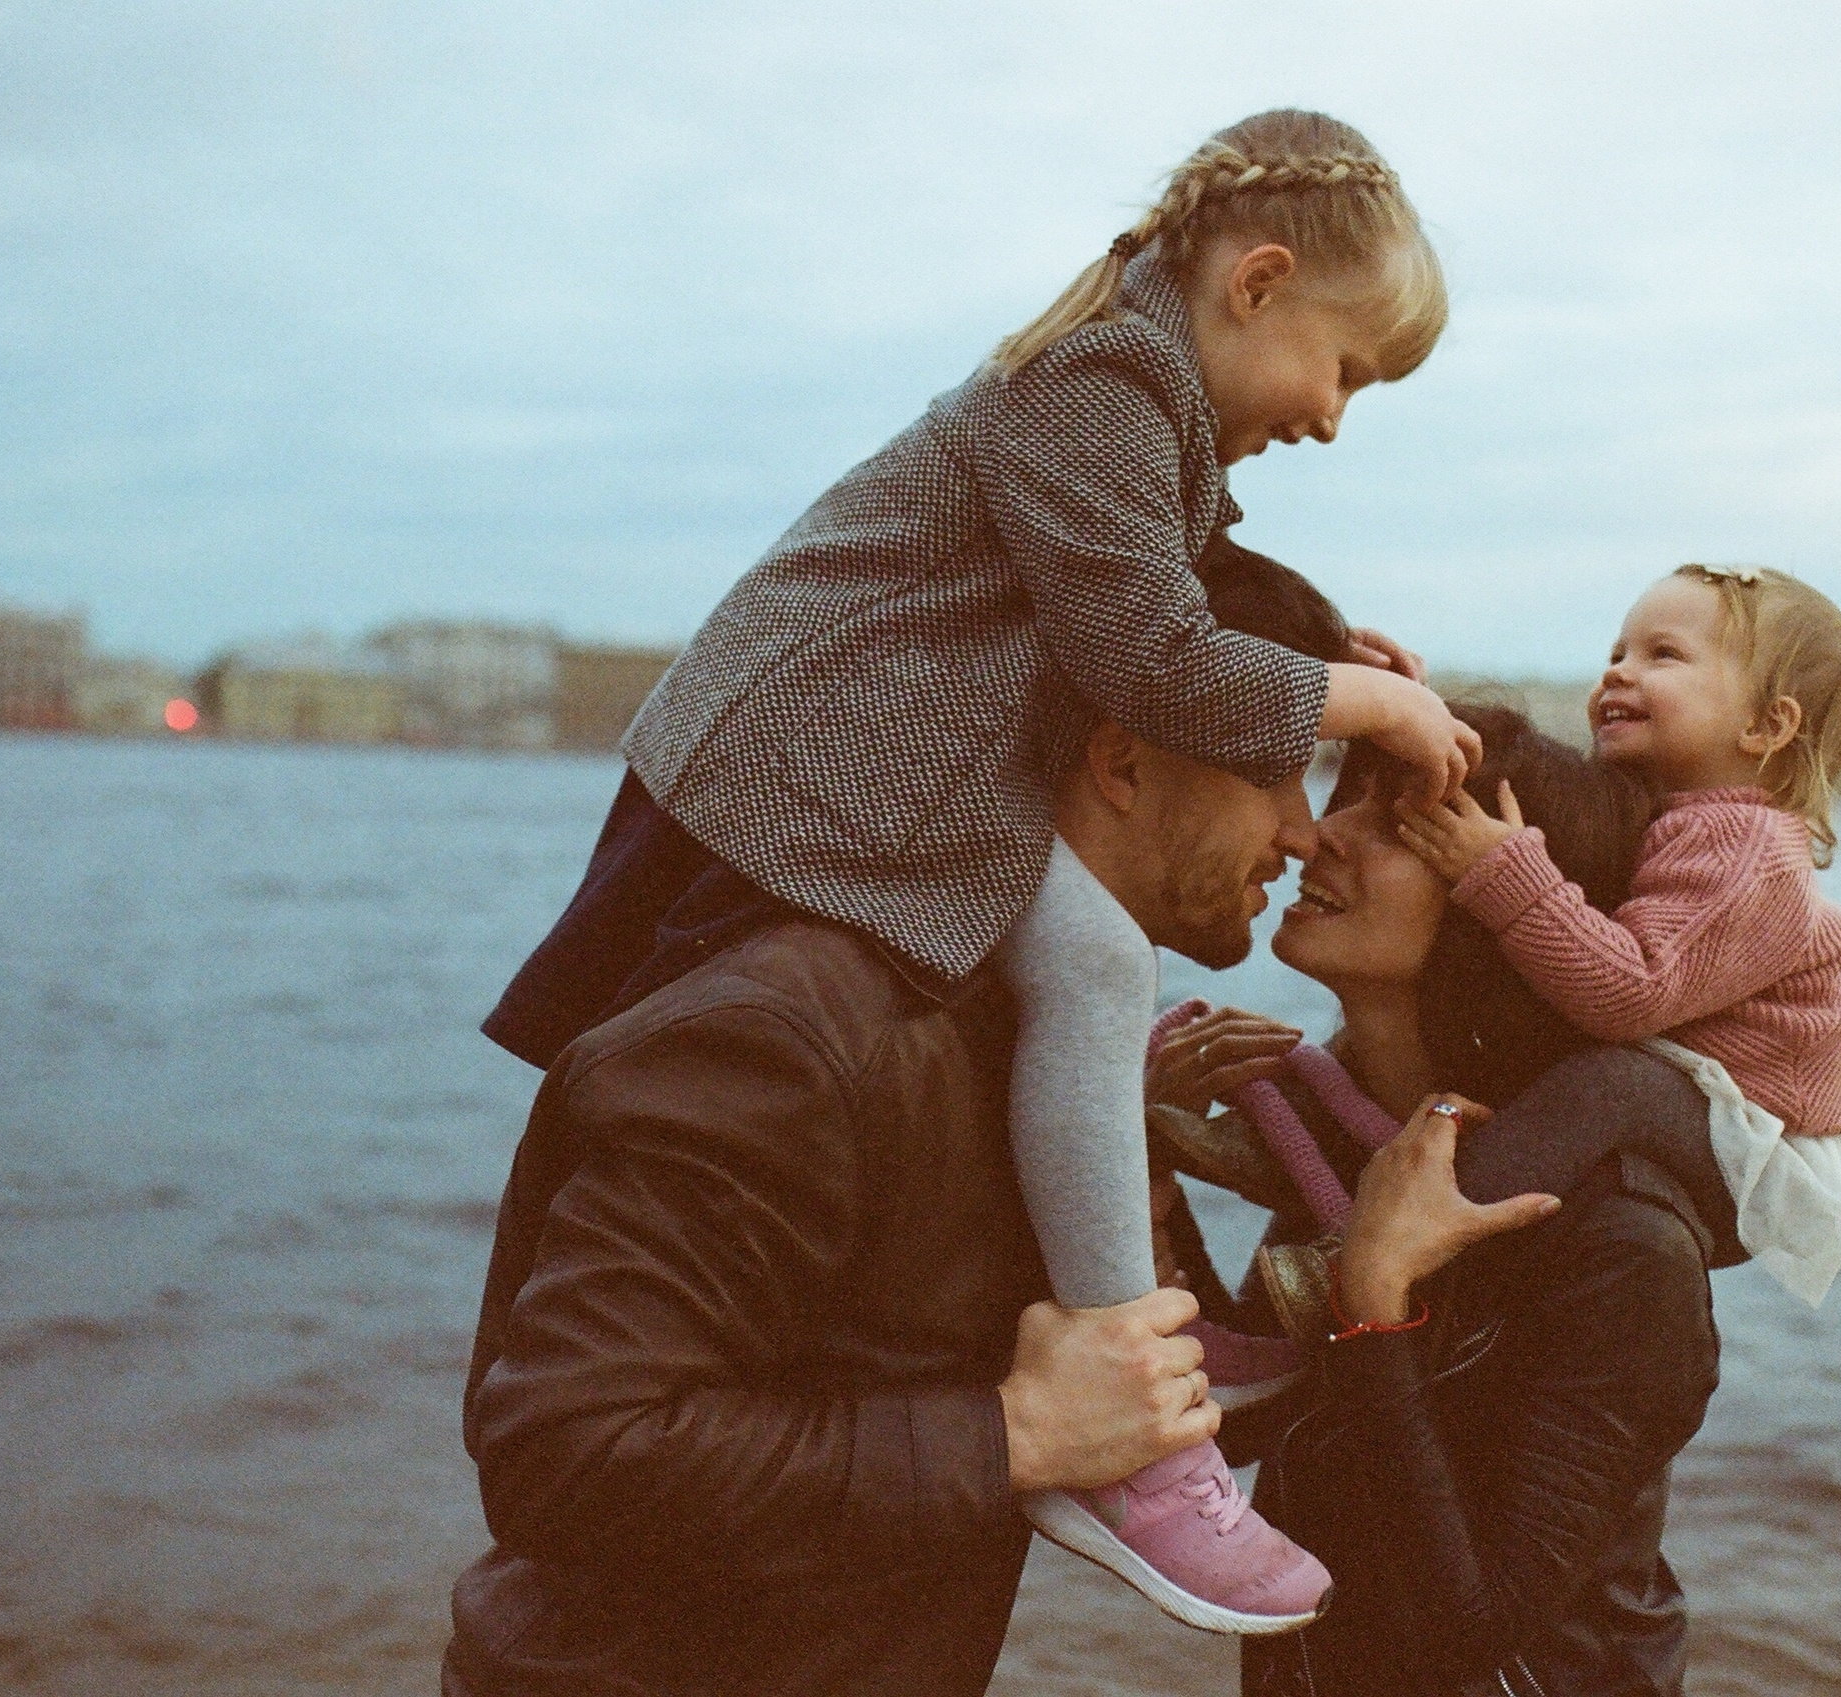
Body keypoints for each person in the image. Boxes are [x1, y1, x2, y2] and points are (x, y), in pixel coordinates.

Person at [480, 107, 1473, 1632]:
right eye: (1346, 370)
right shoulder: (1102, 382)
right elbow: (1148, 649)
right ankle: (1120, 1412)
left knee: (1071, 989)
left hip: (890, 761)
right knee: (1086, 965)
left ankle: (1147, 1349)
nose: (1338, 418)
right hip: (818, 759)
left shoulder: (1145, 406)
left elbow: (1147, 600)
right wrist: (1372, 704)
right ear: (1258, 282)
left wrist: (1321, 656)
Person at [440, 546, 1370, 1695]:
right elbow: (564, 1453)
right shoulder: (797, 1026)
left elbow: (1137, 1424)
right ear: (1121, 763)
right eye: (1277, 775)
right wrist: (1013, 1435)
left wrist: (1371, 1281)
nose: (1305, 832)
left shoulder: (1047, 1052)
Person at [1144, 708, 1738, 1695]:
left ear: (1500, 903)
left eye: (1397, 821)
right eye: (1347, 803)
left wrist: (1376, 1296)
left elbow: (1471, 1630)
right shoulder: (1366, 1133)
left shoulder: (1619, 1236)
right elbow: (1244, 1415)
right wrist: (1147, 1153)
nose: (1320, 835)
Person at [1391, 563, 1841, 1305]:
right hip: (1698, 1112)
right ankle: (1317, 1144)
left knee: (1610, 1080)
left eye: (1663, 655)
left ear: (1764, 726)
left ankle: (1400, 1236)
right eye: (1616, 653)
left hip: (1751, 1151)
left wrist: (1507, 869)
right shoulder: (1677, 818)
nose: (1618, 673)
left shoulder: (1745, 847)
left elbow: (1630, 992)